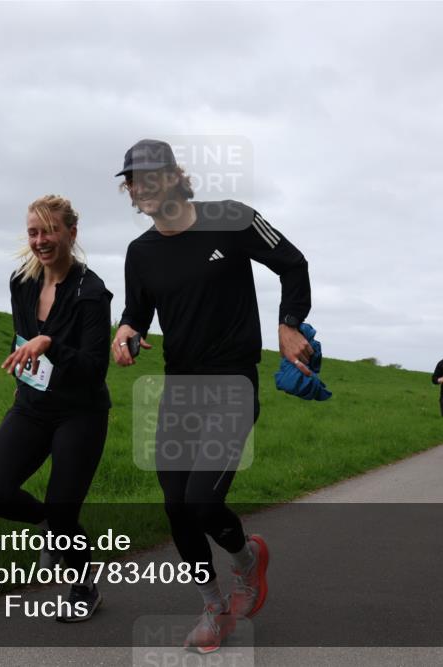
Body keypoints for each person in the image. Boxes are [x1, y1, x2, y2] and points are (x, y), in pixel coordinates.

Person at [111, 139, 312, 652]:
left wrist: (290, 326)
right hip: (180, 387)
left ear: (176, 175)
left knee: (203, 501)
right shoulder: (141, 252)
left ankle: (246, 561)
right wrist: (126, 330)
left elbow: (293, 263)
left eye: (154, 175)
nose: (145, 187)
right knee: (176, 507)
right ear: (130, 191)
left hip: (232, 382)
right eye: (135, 181)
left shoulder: (232, 217)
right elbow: (139, 310)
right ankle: (214, 607)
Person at [0, 195, 112, 622]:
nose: (41, 240)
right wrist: (23, 376)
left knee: (63, 506)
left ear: (71, 233)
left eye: (50, 231)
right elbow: (21, 336)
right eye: (34, 232)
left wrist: (51, 345)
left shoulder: (91, 291)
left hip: (80, 411)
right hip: (32, 406)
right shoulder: (22, 281)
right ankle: (51, 530)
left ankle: (83, 583)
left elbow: (92, 367)